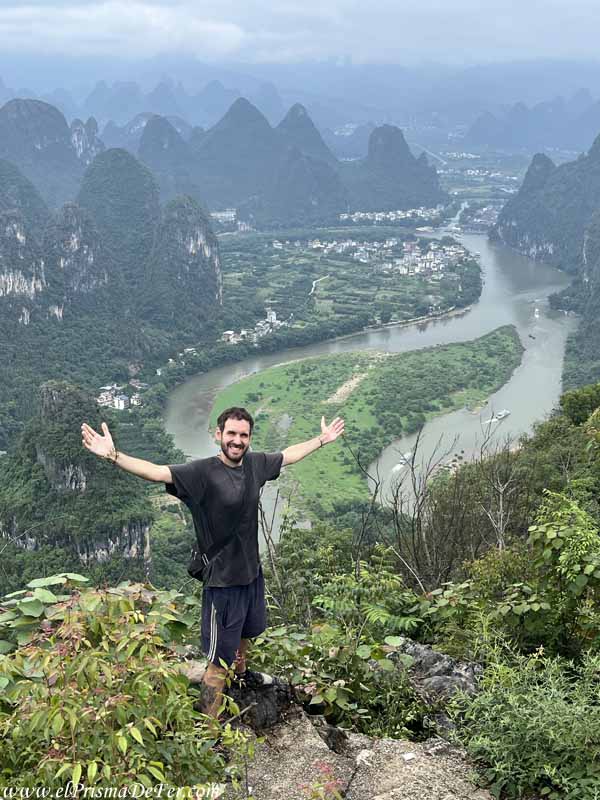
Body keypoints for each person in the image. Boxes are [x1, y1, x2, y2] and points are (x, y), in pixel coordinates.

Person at [81, 406, 344, 716]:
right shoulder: (202, 473)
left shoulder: (256, 465)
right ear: (219, 434)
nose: (237, 440)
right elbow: (156, 472)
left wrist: (322, 440)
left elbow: (288, 454)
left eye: (243, 435)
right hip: (222, 583)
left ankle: (243, 678)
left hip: (251, 574)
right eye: (231, 433)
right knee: (218, 663)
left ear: (249, 438)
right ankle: (208, 731)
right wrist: (114, 456)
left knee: (247, 635)